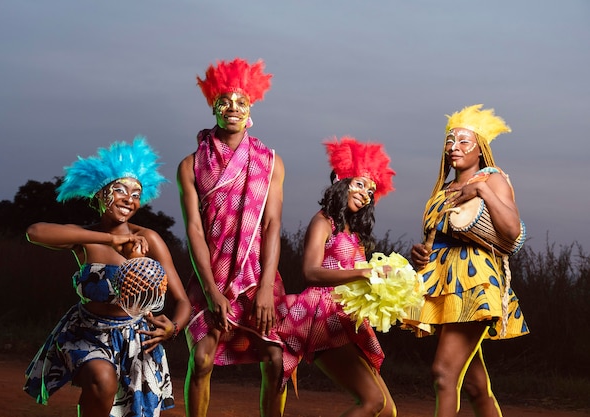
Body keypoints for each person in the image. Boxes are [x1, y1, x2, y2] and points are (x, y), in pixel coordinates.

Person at [23, 137, 192, 417]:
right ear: (100, 194)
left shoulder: (149, 238)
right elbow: (35, 232)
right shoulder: (86, 239)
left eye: (136, 193)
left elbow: (182, 301)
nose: (129, 199)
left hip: (137, 339)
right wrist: (109, 239)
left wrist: (173, 327)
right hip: (88, 334)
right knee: (103, 380)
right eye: (120, 190)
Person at [177, 58, 286, 417]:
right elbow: (193, 229)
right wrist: (210, 291)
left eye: (241, 101)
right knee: (203, 358)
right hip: (212, 274)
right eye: (225, 101)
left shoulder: (269, 161)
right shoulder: (191, 165)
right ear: (213, 106)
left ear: (251, 106)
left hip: (257, 277)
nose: (233, 108)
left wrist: (267, 286)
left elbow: (271, 225)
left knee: (274, 359)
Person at [410, 104, 529, 417]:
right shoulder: (442, 189)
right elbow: (436, 236)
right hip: (445, 282)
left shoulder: (493, 180)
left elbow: (513, 230)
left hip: (475, 281)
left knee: (443, 373)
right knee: (475, 387)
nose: (454, 147)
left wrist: (481, 190)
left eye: (464, 141)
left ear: (480, 149)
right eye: (450, 141)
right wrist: (421, 252)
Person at [277, 136, 397, 417]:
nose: (366, 193)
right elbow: (310, 272)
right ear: (340, 180)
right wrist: (363, 272)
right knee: (372, 402)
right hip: (321, 317)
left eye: (371, 190)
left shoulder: (351, 231)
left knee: (388, 410)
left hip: (347, 318)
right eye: (360, 183)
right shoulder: (323, 221)